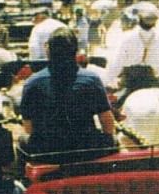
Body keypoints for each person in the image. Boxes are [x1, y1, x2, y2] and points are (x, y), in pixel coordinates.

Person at [18, 28, 118, 163]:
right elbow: (106, 121)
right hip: (85, 149)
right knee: (114, 140)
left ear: (48, 51)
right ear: (75, 52)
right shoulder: (91, 79)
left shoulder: (32, 82)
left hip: (47, 151)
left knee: (21, 140)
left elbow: (29, 127)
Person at [102, 1, 159, 104]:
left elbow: (116, 64)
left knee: (114, 108)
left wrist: (107, 80)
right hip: (150, 82)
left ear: (138, 19)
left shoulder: (127, 37)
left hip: (130, 83)